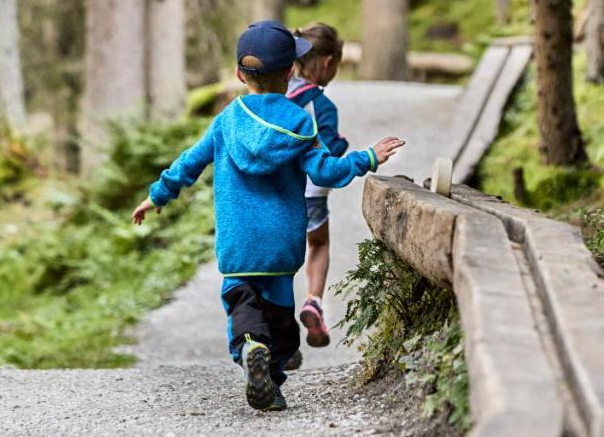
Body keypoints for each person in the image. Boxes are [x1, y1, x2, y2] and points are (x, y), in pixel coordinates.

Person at [132, 21, 403, 412]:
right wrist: (368, 157)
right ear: (291, 71)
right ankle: (271, 380)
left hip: (238, 242)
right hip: (281, 244)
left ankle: (248, 346)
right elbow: (327, 172)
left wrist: (157, 196)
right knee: (279, 318)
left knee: (243, 302)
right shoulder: (300, 123)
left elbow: (189, 163)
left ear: (240, 74)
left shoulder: (226, 121)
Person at [285, 23, 347, 360]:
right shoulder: (322, 106)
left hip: (282, 189)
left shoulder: (278, 95)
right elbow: (331, 152)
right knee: (318, 243)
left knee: (284, 256)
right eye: (337, 65)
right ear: (326, 63)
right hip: (313, 190)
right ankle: (313, 300)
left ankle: (281, 329)